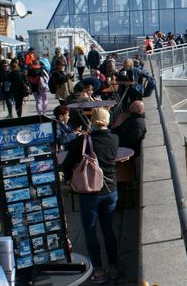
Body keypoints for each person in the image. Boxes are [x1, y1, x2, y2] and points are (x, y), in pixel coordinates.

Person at [62, 108, 119, 283]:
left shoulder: (83, 140)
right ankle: (114, 267)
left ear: (92, 121)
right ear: (108, 121)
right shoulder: (114, 138)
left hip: (90, 191)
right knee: (108, 229)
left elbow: (67, 161)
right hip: (110, 190)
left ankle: (99, 270)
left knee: (90, 230)